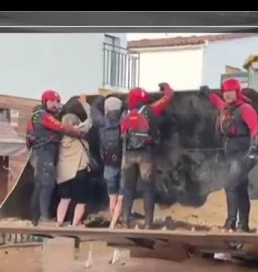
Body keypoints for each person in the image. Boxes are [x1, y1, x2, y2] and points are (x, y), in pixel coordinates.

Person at [200, 78, 258, 232]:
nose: (227, 94)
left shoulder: (245, 109)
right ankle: (243, 225)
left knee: (230, 185)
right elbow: (217, 103)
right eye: (225, 91)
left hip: (242, 155)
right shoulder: (226, 108)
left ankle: (231, 222)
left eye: (230, 91)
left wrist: (252, 150)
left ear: (237, 92)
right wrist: (208, 94)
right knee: (240, 189)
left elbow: (255, 129)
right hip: (231, 155)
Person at [25, 90, 85, 226]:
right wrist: (77, 131)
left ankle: (36, 219)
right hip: (43, 153)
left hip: (39, 153)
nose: (57, 105)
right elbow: (60, 127)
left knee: (40, 186)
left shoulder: (36, 115)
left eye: (58, 102)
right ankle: (44, 218)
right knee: (47, 185)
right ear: (47, 101)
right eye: (55, 102)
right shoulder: (42, 115)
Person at [119, 82, 174, 229]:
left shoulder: (125, 113)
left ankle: (125, 221)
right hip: (146, 155)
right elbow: (168, 97)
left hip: (129, 155)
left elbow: (122, 134)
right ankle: (148, 223)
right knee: (148, 189)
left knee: (128, 189)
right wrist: (166, 87)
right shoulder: (150, 109)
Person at [91, 95, 124, 228]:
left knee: (112, 196)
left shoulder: (102, 121)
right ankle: (115, 222)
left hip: (109, 163)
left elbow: (93, 109)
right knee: (122, 196)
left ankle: (113, 221)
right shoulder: (123, 120)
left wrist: (101, 98)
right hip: (124, 161)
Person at [56, 112, 92, 227]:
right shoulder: (78, 131)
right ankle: (75, 224)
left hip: (63, 173)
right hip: (79, 170)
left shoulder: (59, 135)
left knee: (64, 199)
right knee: (81, 200)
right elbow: (89, 122)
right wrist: (87, 107)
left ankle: (59, 222)